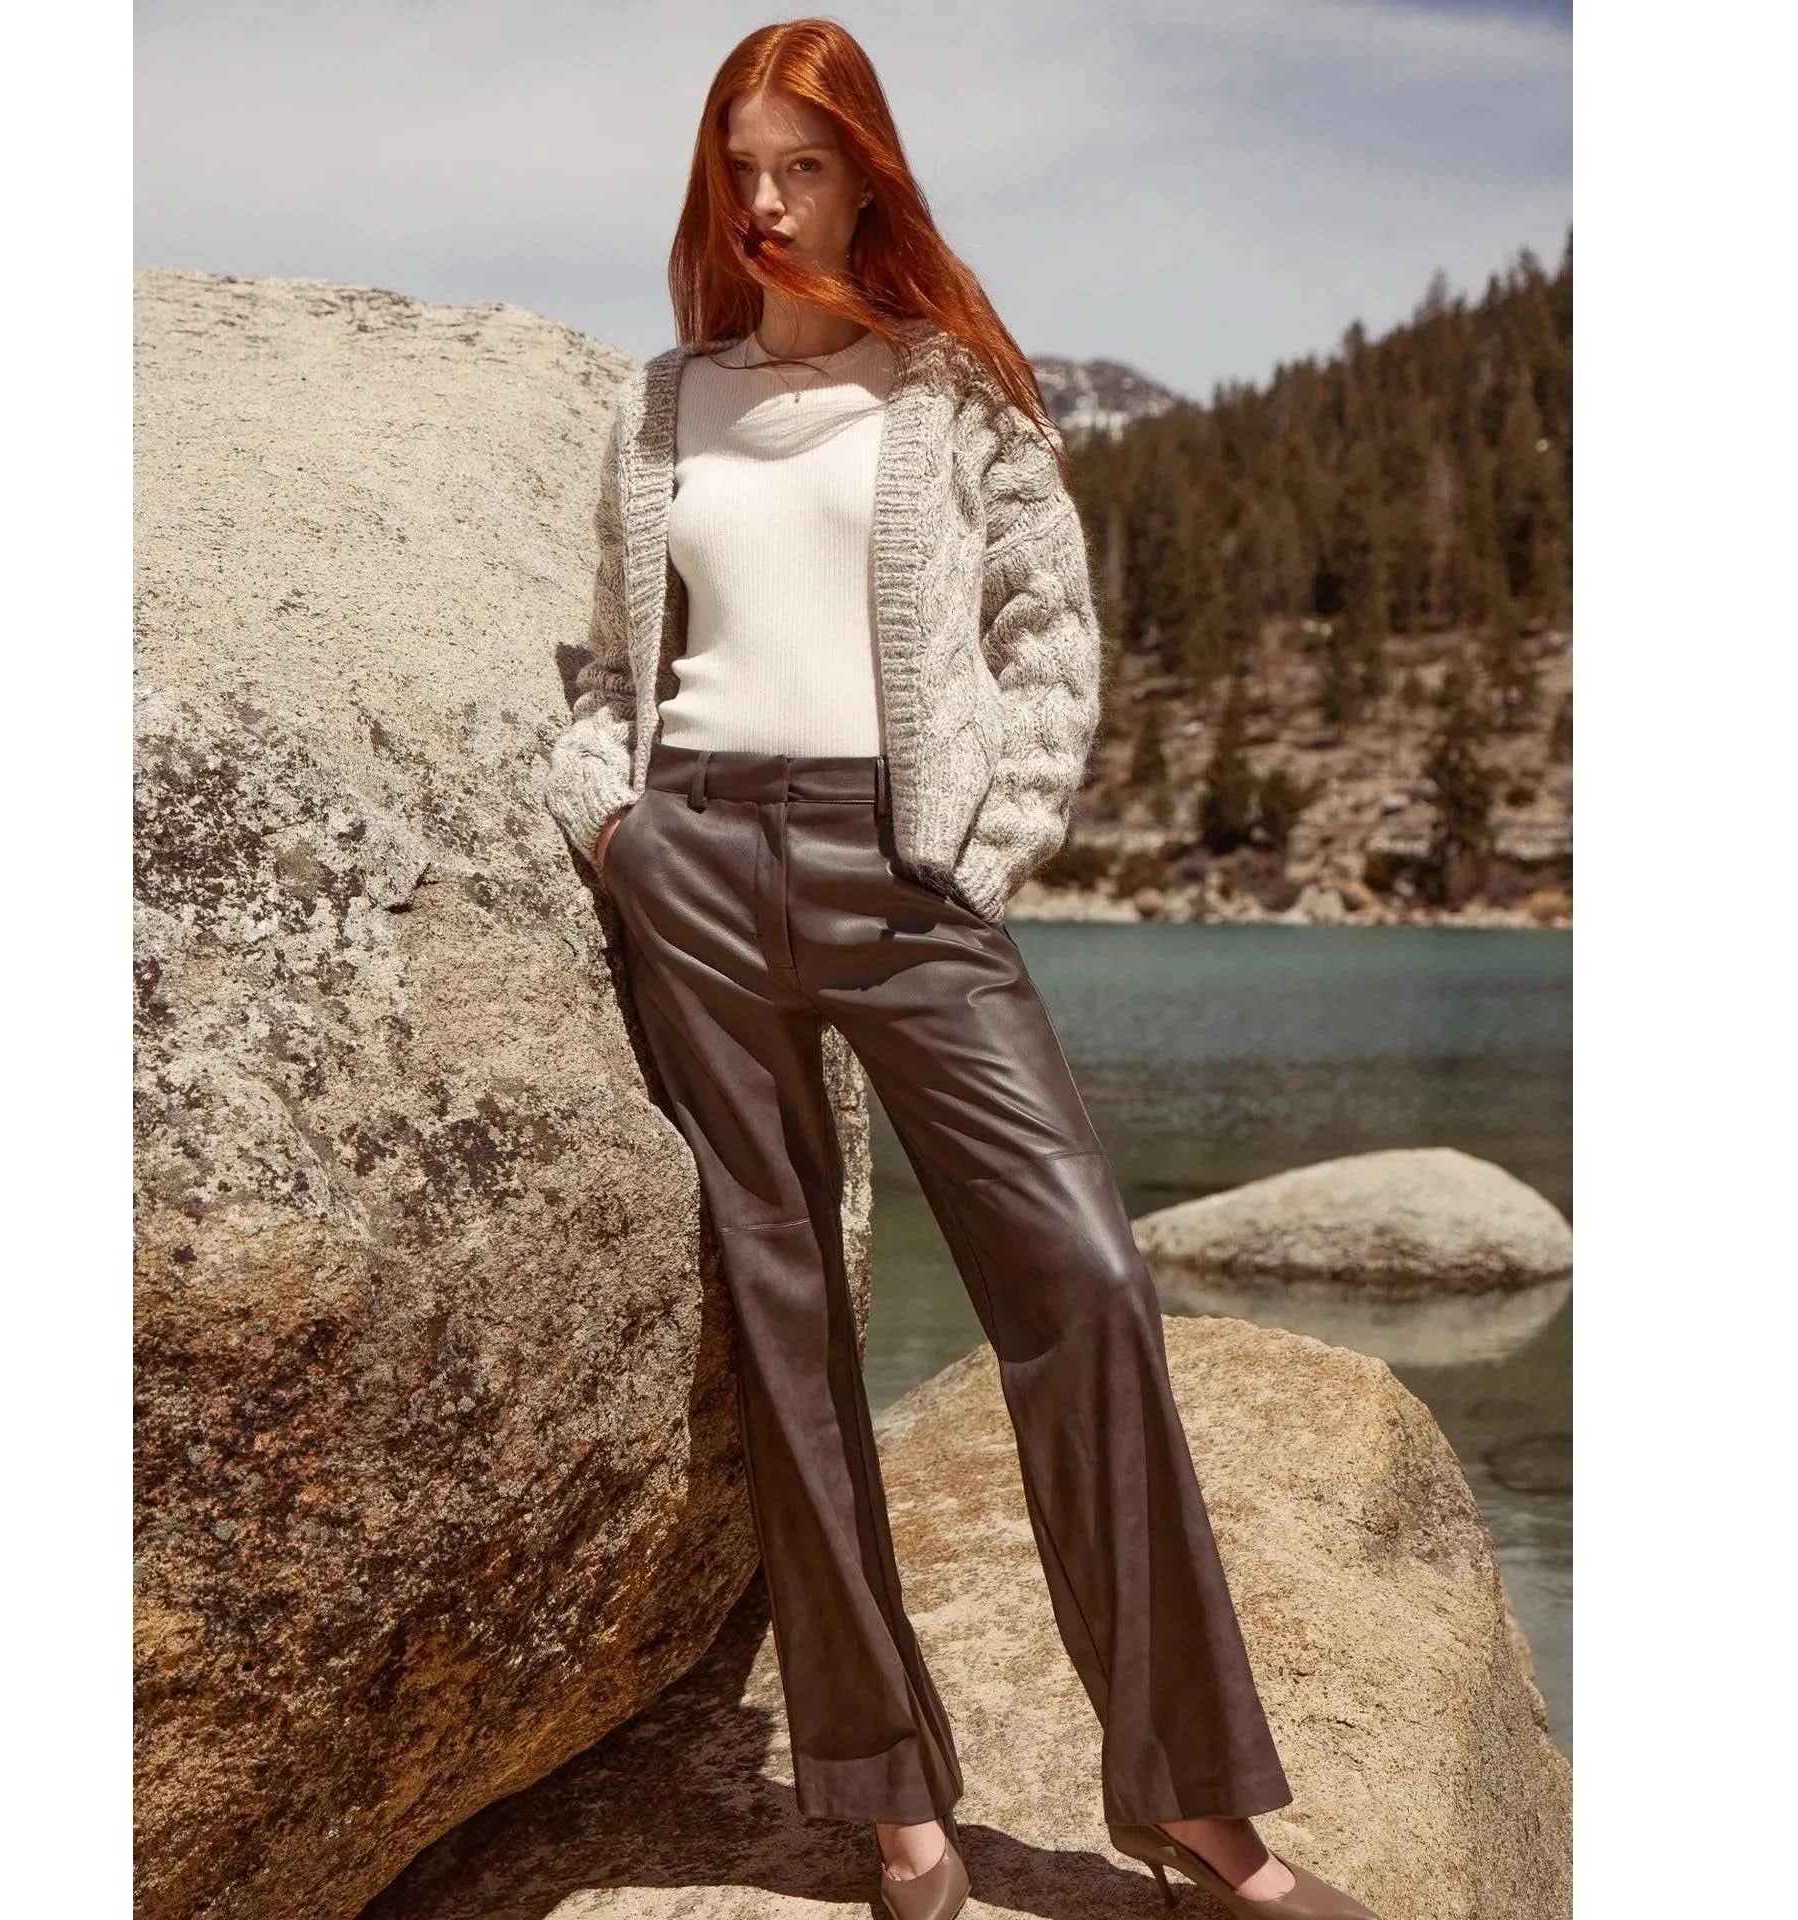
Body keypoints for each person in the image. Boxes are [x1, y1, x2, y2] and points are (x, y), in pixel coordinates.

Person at [543, 21, 1379, 1920]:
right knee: (783, 1320)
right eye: (740, 164)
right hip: (695, 862)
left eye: (803, 165)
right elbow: (611, 659)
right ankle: (894, 1807)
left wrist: (976, 853)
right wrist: (617, 820)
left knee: (1085, 1279)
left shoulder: (954, 393)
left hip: (903, 866)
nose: (765, 200)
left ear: (869, 177)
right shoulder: (658, 402)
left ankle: (1196, 1818)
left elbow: (1049, 637)